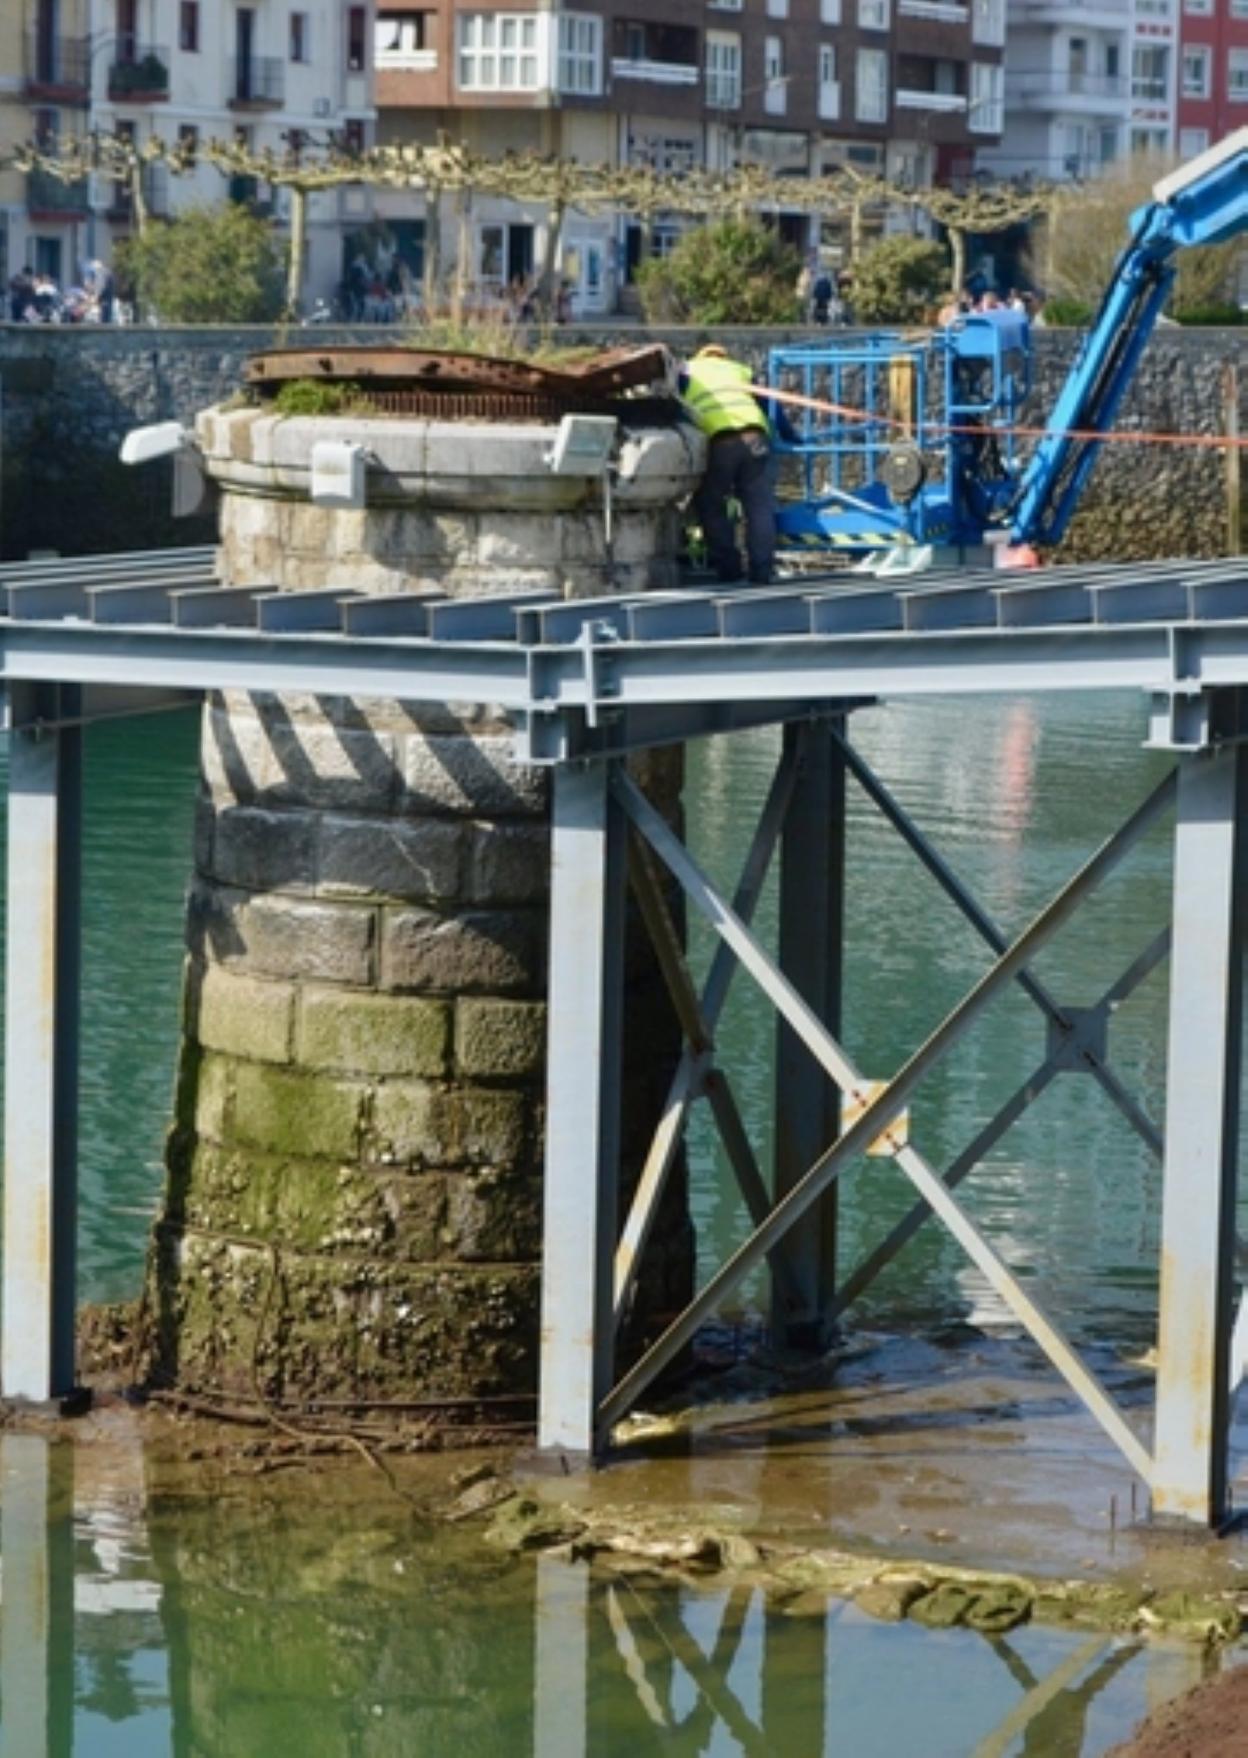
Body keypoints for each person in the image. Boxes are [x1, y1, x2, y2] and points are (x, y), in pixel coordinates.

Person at [681, 343, 795, 588]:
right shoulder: (739, 369)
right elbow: (770, 404)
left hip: (721, 441)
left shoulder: (688, 370)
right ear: (723, 357)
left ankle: (729, 568)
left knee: (710, 503)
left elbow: (677, 408)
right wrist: (791, 435)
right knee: (759, 506)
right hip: (756, 438)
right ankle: (761, 571)